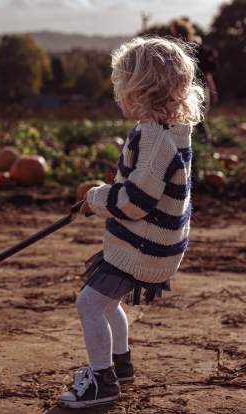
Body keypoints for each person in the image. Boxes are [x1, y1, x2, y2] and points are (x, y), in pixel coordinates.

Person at [58, 37, 203, 409]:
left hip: (143, 246)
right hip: (153, 243)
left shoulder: (154, 141)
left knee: (90, 304)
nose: (117, 94)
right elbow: (139, 190)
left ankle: (101, 383)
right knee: (108, 304)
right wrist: (103, 196)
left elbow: (134, 202)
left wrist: (95, 198)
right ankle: (120, 366)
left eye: (119, 86)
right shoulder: (169, 132)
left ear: (138, 92)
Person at [169, 17, 218, 143]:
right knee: (190, 122)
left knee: (197, 121)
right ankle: (197, 148)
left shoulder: (190, 51)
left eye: (174, 32)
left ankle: (203, 149)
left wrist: (212, 91)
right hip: (186, 91)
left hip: (195, 91)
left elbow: (206, 74)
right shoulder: (181, 51)